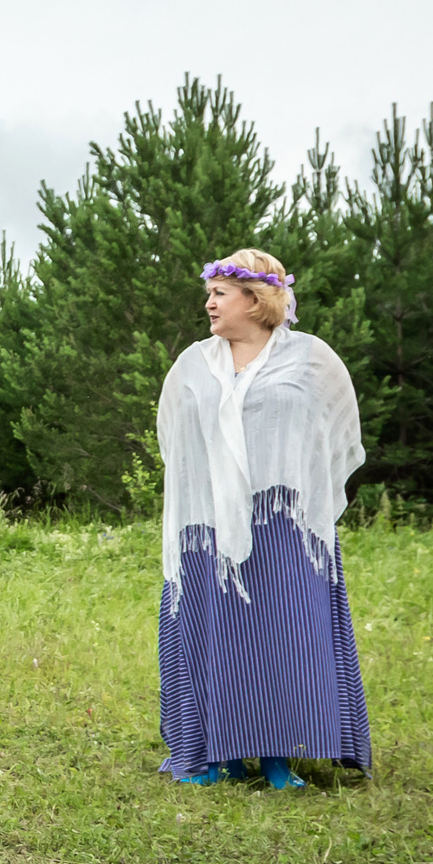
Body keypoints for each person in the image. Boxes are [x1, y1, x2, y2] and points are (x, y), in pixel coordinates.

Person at [156, 249, 370, 788]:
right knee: (216, 636)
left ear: (254, 301)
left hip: (282, 524)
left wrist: (301, 487)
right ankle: (217, 753)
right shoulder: (193, 364)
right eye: (210, 294)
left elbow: (338, 430)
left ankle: (278, 755)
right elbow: (173, 438)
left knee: (283, 637)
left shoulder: (309, 358)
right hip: (208, 529)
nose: (209, 304)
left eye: (219, 294)